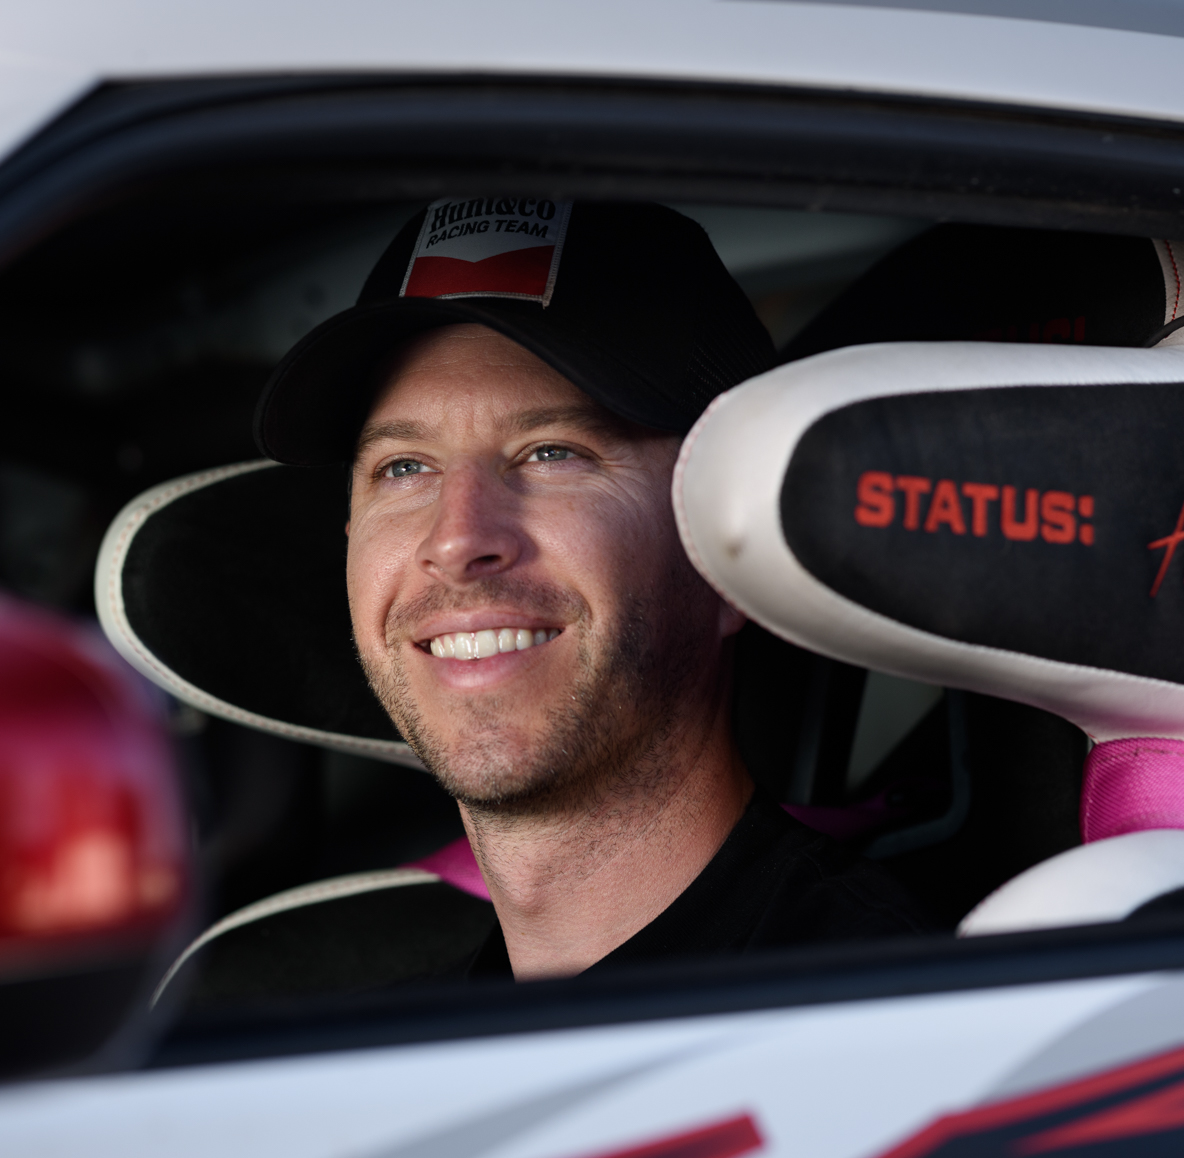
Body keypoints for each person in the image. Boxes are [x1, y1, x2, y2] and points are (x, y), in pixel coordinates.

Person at [246, 200, 932, 979]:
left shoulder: (874, 1009)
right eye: (404, 467)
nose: (457, 540)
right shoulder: (407, 1027)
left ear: (734, 547)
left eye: (552, 453)